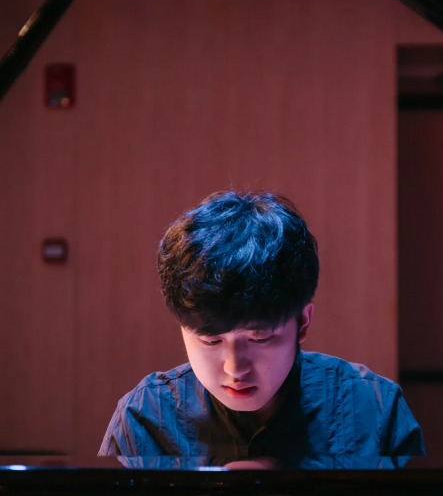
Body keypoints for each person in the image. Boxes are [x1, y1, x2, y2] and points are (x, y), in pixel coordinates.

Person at [99, 190, 424, 469]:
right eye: (210, 341)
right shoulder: (146, 416)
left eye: (260, 338)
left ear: (303, 323)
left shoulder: (374, 407)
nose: (235, 368)